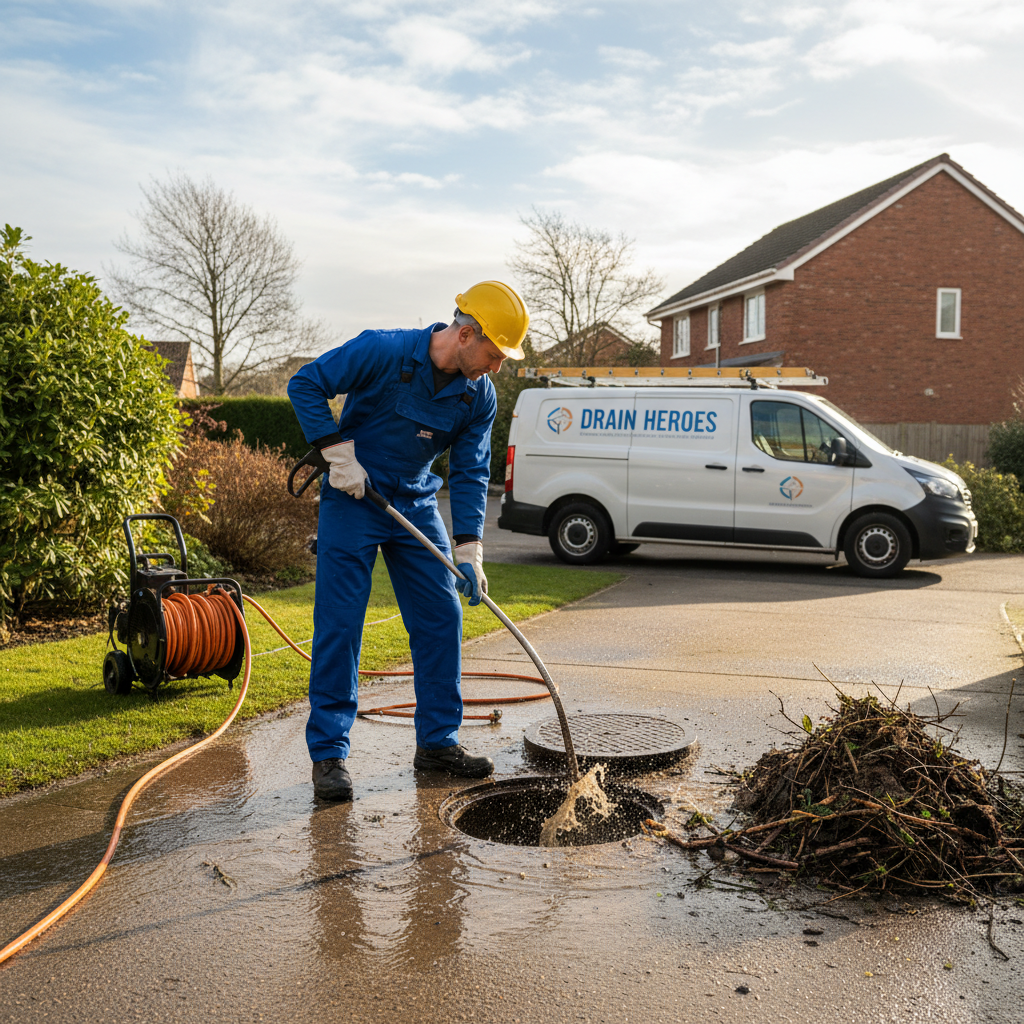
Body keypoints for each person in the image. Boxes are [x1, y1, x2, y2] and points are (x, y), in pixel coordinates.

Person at [287, 281, 529, 801]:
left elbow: (470, 469)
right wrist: (334, 451)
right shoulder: (382, 349)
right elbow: (305, 384)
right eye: (494, 353)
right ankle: (329, 754)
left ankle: (437, 743)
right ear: (466, 334)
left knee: (443, 615)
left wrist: (469, 547)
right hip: (354, 497)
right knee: (341, 621)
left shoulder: (477, 394)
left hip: (415, 503)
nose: (498, 367)